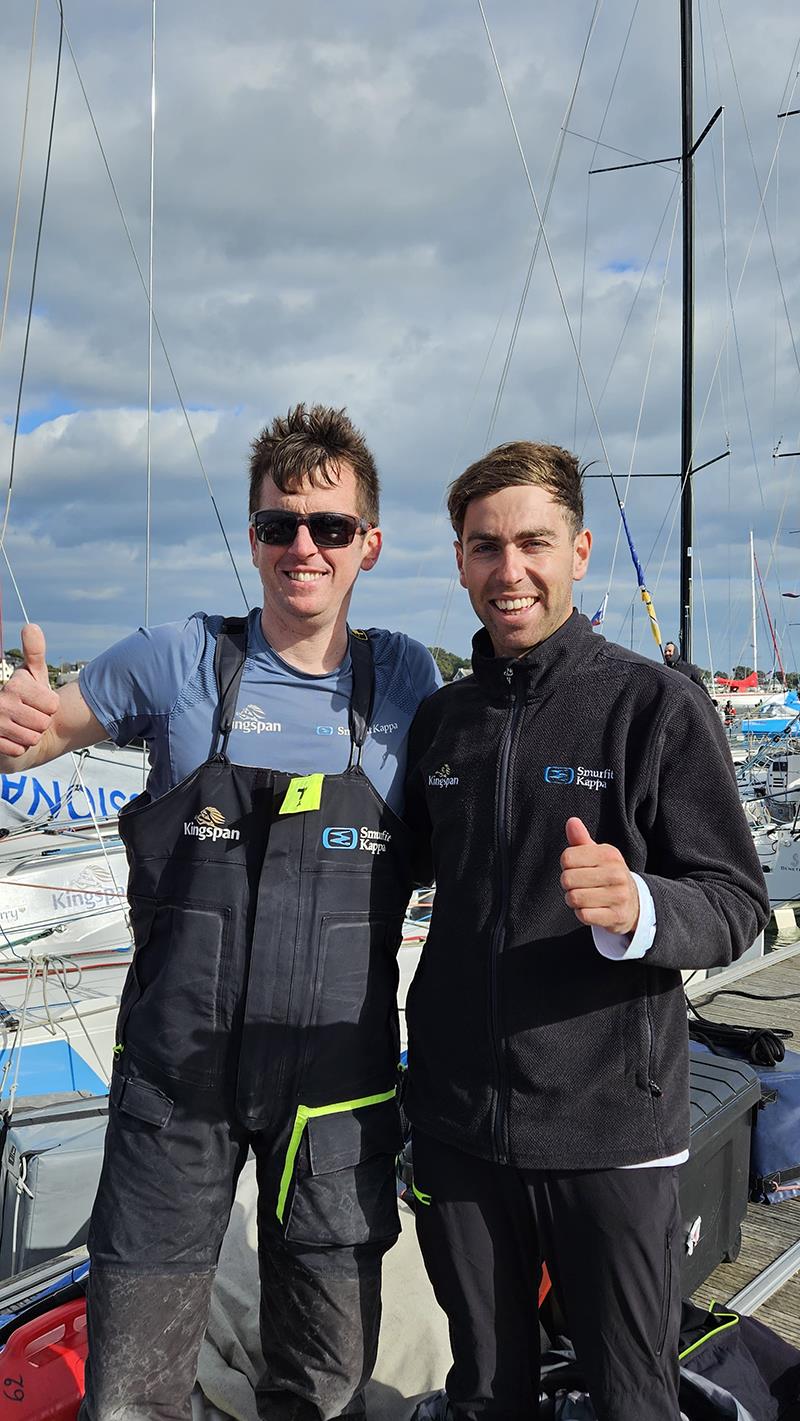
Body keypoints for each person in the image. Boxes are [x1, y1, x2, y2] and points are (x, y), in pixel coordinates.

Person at [0, 403, 439, 1421]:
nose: (302, 546)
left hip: (336, 1087)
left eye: (329, 527)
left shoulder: (407, 681)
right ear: (252, 536)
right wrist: (17, 724)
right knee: (133, 1386)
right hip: (176, 1078)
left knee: (324, 1378)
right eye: (279, 523)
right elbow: (39, 736)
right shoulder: (174, 655)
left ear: (367, 543)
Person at [402, 441, 769, 1421]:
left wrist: (638, 906)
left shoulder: (652, 705)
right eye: (485, 546)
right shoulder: (441, 721)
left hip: (610, 1129)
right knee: (485, 1388)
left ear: (578, 550)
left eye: (532, 542)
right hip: (457, 1127)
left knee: (629, 1394)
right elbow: (375, 872)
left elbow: (735, 903)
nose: (507, 570)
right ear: (458, 559)